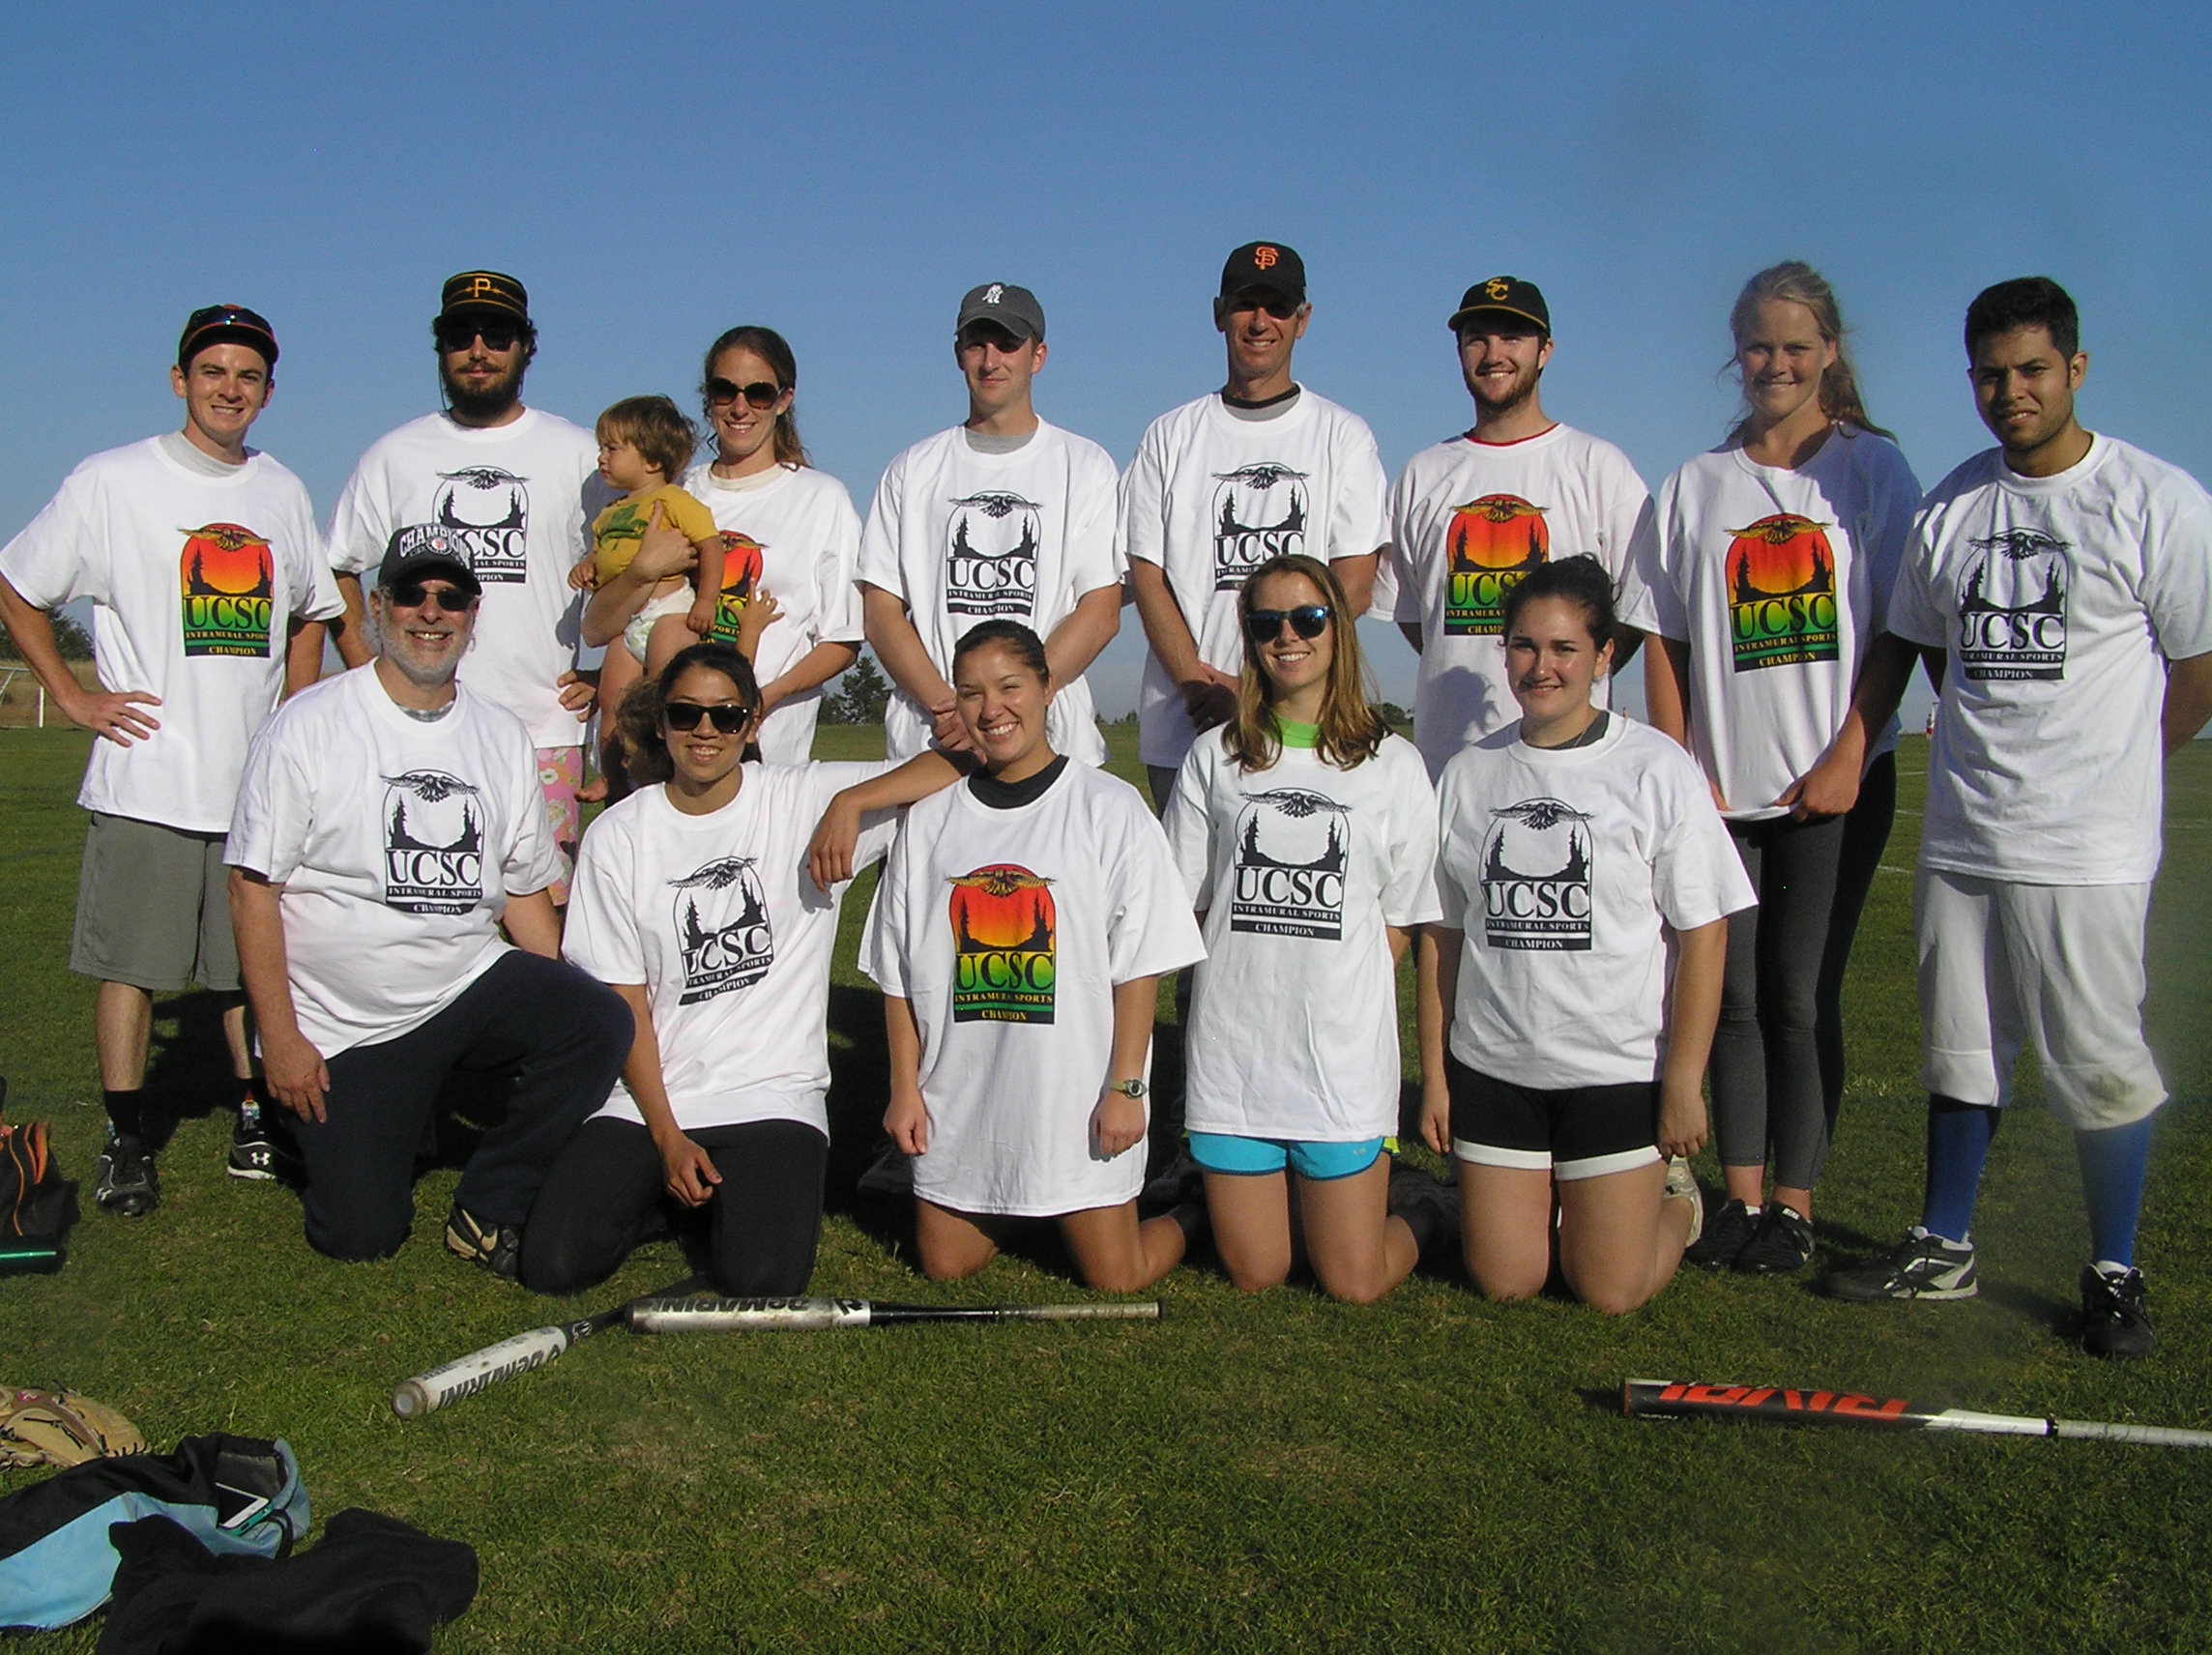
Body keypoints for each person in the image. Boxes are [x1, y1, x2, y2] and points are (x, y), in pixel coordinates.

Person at [1809, 277, 2212, 1358]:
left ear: (2074, 370)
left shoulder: (2152, 499)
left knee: (2095, 1054)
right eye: (1988, 373)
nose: (2008, 392)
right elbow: (1912, 639)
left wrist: (2122, 763)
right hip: (1962, 831)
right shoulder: (1950, 506)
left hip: (2086, 845)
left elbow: (2195, 666)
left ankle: (2113, 1267)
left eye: (2030, 370)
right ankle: (1941, 1244)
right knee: (1959, 1047)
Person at [0, 305, 340, 1213]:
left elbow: (311, 607)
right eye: (214, 371)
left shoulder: (280, 491)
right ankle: (124, 1134)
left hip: (251, 785)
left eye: (249, 377)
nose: (231, 389)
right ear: (179, 379)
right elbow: (17, 583)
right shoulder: (112, 482)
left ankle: (253, 1116)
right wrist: (70, 697)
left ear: (268, 393)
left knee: (245, 970)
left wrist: (297, 703)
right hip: (148, 775)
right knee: (133, 966)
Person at [225, 530, 633, 1277]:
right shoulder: (307, 726)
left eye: (451, 598)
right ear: (378, 608)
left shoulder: (498, 732)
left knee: (597, 1020)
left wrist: (570, 997)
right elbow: (253, 891)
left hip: (465, 983)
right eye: (411, 594)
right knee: (360, 1234)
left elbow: (520, 892)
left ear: (473, 617)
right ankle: (316, 1121)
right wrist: (280, 1043)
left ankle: (489, 1202)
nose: (430, 612)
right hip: (349, 1025)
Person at [1627, 262, 1924, 1275]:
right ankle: (1742, 1198)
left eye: (1795, 347)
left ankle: (1795, 1204)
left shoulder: (1869, 471)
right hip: (1722, 792)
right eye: (1757, 346)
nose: (1775, 364)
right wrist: (1678, 763)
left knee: (1798, 997)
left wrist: (1850, 747)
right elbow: (1659, 634)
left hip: (1832, 786)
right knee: (1736, 1003)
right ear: (1733, 352)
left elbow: (1898, 627)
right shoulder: (1695, 486)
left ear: (1828, 351)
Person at [525, 643, 962, 1295]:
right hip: (654, 1095)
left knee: (760, 1277)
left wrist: (849, 805)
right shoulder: (618, 835)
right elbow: (624, 1003)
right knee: (554, 1266)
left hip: (773, 1092)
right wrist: (668, 1137)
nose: (706, 732)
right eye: (686, 715)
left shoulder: (801, 796)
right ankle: (678, 1197)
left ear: (753, 723)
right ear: (663, 725)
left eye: (726, 717)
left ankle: (718, 1205)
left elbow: (958, 764)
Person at [1418, 557, 1753, 1314]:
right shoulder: (1471, 773)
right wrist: (1438, 1076)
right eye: (1525, 646)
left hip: (1616, 1074)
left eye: (1565, 648)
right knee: (1508, 1281)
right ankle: (1554, 1198)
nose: (1542, 666)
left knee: (1608, 1291)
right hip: (1496, 1069)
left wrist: (1681, 1083)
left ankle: (1677, 1205)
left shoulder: (1655, 768)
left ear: (1605, 656)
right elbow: (1443, 937)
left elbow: (1704, 936)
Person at [860, 621, 1206, 1291]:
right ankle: (1028, 1202)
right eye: (971, 694)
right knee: (946, 1263)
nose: (992, 710)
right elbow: (897, 975)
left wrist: (1126, 1087)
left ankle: (1199, 1210)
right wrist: (904, 1091)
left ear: (1048, 689)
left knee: (1118, 1276)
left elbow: (1140, 964)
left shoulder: (1110, 808)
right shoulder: (930, 820)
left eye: (1010, 686)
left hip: (1073, 1103)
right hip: (963, 1104)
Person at [1161, 554, 1455, 1301]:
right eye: (1266, 623)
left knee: (1352, 1282)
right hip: (1235, 1056)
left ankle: (1424, 1208)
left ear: (1338, 628)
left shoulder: (1394, 765)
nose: (1287, 636)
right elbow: (1188, 907)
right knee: (1258, 1273)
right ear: (1250, 639)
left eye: (1307, 618)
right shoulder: (1215, 758)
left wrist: (1338, 982)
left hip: (1339, 1062)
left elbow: (1408, 920)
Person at [321, 271, 600, 901]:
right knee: (423, 912)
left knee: (545, 922)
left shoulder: (581, 455)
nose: (478, 350)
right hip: (413, 733)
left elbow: (641, 567)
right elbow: (336, 566)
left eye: (497, 335)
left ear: (527, 346)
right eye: (460, 336)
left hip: (544, 734)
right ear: (439, 348)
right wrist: (369, 668)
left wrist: (611, 675)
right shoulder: (395, 454)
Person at [1123, 241, 1389, 806]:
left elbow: (1355, 584)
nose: (1261, 321)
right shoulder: (1169, 436)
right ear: (1219, 312)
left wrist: (1258, 692)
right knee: (1188, 896)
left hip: (1304, 726)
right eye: (1247, 304)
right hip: (1184, 726)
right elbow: (1147, 577)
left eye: (1278, 306)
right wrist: (1198, 684)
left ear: (1303, 320)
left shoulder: (1343, 436)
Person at [1384, 276, 1651, 779]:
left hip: (1571, 763)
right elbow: (1416, 615)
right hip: (1449, 763)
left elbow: (1635, 613)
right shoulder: (1422, 473)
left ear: (1544, 350)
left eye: (1512, 338)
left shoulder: (1599, 467)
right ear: (1460, 349)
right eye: (1478, 338)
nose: (1493, 354)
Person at [858, 284, 1120, 766]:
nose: (990, 359)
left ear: (1037, 356)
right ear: (959, 354)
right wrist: (951, 705)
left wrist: (1012, 703)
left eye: (1007, 344)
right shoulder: (912, 469)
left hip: (1051, 744)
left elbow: (1101, 609)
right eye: (977, 343)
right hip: (934, 743)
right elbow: (881, 611)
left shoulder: (1085, 465)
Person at [584, 326, 863, 766]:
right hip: (666, 762)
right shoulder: (674, 492)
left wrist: (757, 702)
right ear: (707, 397)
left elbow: (843, 642)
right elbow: (601, 627)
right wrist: (641, 572)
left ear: (784, 400)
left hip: (768, 758)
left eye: (758, 393)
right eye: (723, 391)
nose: (739, 407)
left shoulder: (822, 499)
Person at [570, 395, 724, 785]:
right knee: (612, 699)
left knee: (663, 693)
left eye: (613, 449)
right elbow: (603, 556)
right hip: (630, 621)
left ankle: (663, 774)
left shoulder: (674, 500)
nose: (602, 458)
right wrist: (587, 567)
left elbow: (709, 546)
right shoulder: (610, 512)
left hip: (670, 611)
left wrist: (706, 599)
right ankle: (611, 775)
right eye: (601, 449)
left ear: (653, 461)